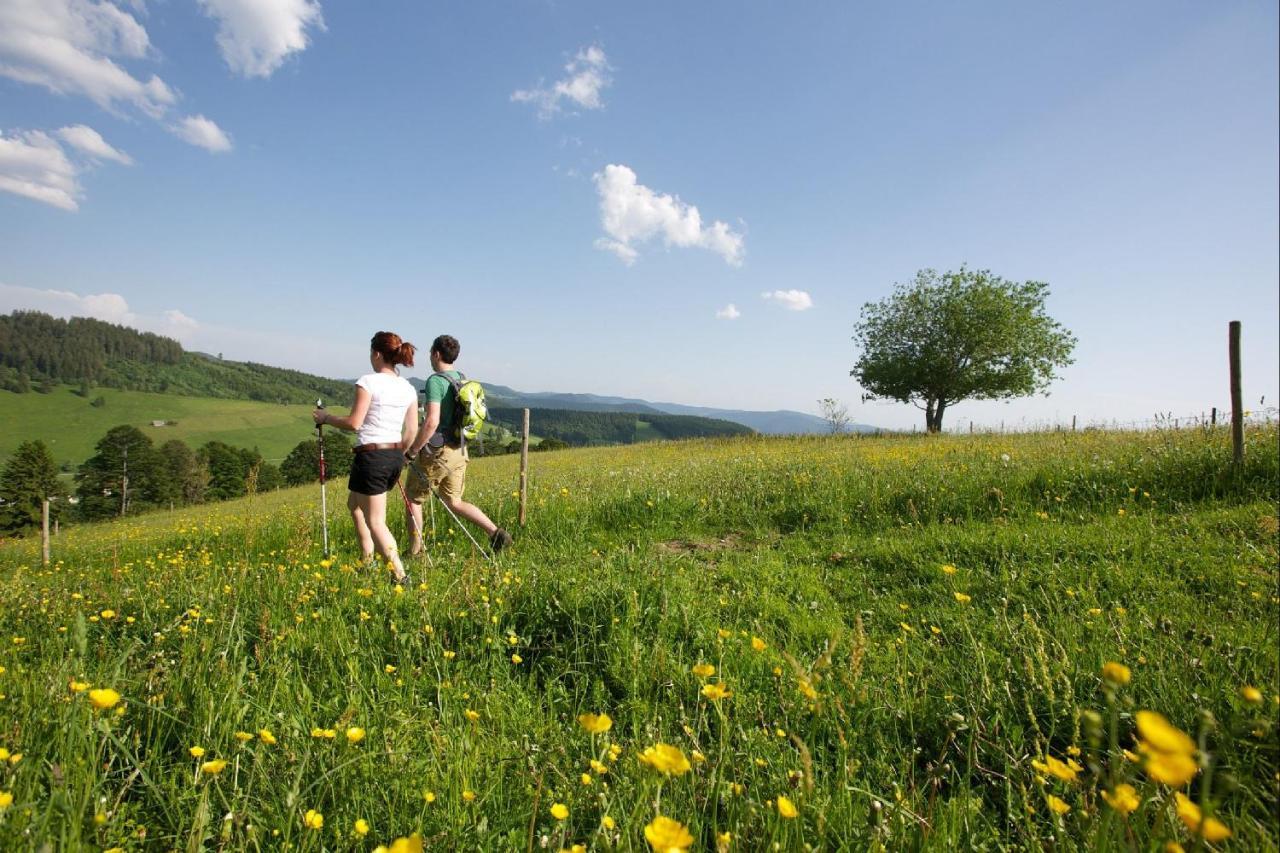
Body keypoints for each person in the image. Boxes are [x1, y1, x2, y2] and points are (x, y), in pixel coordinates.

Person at [313, 331, 418, 584]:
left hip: (371, 456)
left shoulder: (368, 382)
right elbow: (412, 430)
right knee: (354, 505)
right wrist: (399, 455)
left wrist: (326, 418)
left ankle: (400, 576)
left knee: (376, 521)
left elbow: (354, 423)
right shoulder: (408, 388)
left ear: (377, 354)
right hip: (394, 455)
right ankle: (367, 558)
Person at [403, 334, 513, 555]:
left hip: (438, 451)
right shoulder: (462, 378)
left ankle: (415, 551)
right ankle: (496, 533)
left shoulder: (435, 381)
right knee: (454, 501)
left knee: (413, 498)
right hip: (460, 449)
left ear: (436, 354)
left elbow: (432, 421)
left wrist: (413, 450)